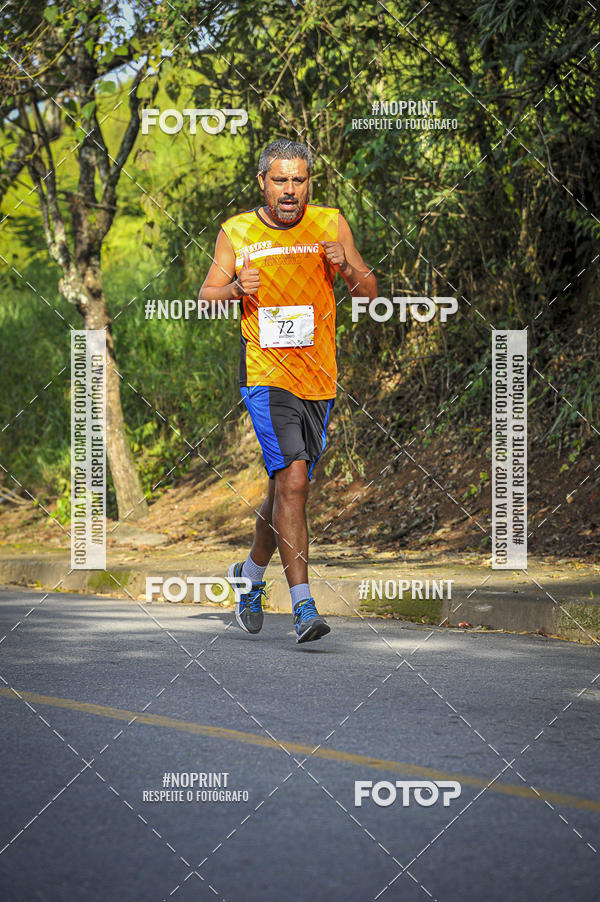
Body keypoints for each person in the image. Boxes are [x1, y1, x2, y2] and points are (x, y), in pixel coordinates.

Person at [200, 139, 377, 643]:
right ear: (262, 182)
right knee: (294, 480)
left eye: (299, 180)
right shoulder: (237, 231)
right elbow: (206, 296)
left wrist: (346, 264)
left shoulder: (329, 223)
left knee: (284, 488)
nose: (290, 190)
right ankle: (303, 607)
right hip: (265, 374)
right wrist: (235, 290)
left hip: (318, 377)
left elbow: (370, 292)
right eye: (280, 180)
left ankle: (249, 574)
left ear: (309, 184)